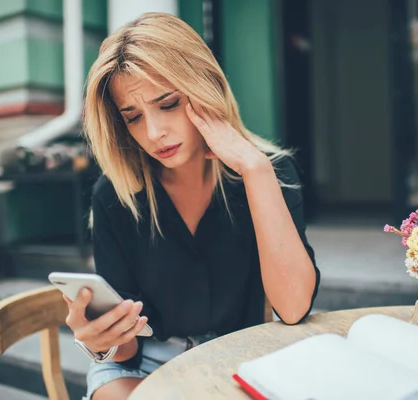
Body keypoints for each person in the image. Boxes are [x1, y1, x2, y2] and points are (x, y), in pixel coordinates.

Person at [62, 12, 320, 400]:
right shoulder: (114, 195)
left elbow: (294, 307)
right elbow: (128, 354)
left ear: (204, 87)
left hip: (240, 356)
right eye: (132, 117)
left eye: (167, 104)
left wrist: (255, 170)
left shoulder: (270, 171)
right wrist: (103, 338)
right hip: (149, 363)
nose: (153, 133)